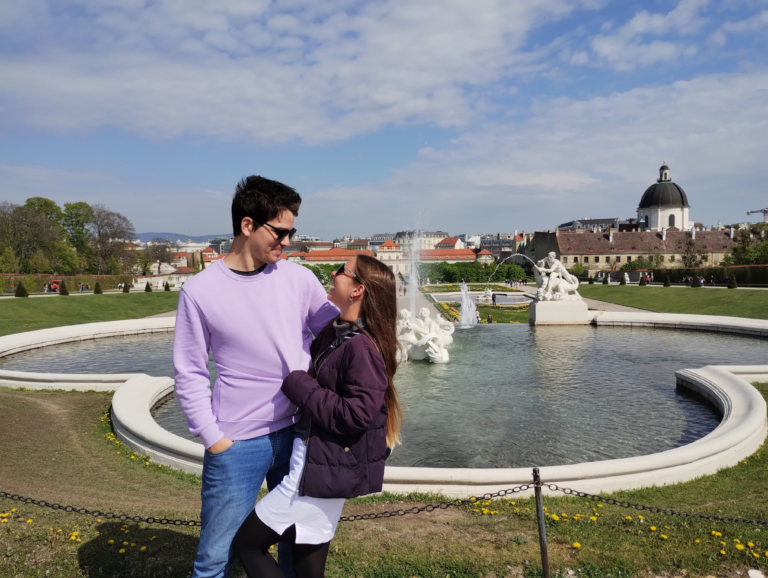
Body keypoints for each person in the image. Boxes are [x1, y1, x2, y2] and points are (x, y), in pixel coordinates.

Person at [173, 176, 338, 578]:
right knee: (216, 555)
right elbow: (190, 372)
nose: (288, 242)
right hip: (237, 441)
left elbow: (336, 340)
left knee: (294, 544)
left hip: (299, 431)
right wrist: (214, 439)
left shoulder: (298, 279)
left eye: (291, 232)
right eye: (280, 232)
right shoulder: (199, 291)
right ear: (247, 225)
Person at [232, 255, 402, 578]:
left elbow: (356, 415)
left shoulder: (360, 348)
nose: (334, 273)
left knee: (247, 545)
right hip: (321, 470)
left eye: (342, 270)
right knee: (306, 570)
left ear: (358, 291)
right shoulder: (340, 332)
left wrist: (298, 383)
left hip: (312, 478)